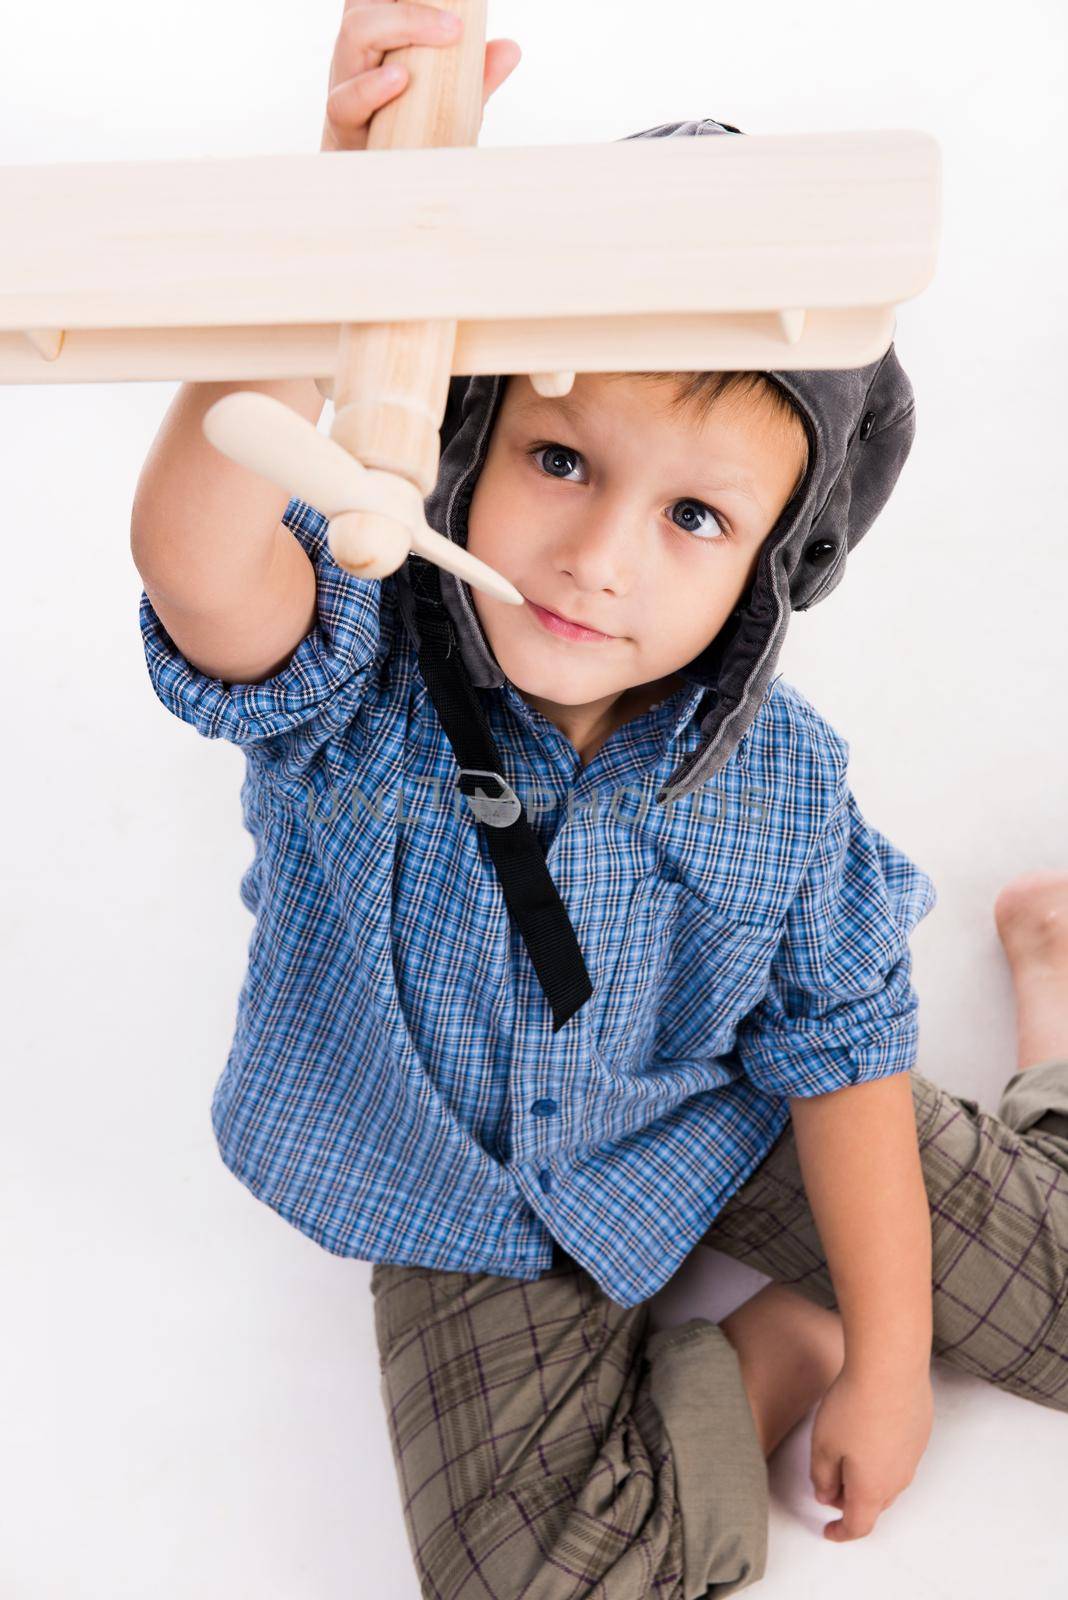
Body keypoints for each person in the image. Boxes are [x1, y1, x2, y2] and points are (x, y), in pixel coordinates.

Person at [130, 4, 1068, 1595]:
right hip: (455, 1192)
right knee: (531, 1579)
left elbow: (838, 1058)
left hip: (724, 1114)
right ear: (473, 432)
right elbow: (197, 563)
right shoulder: (353, 648)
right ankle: (764, 1352)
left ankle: (1050, 1054)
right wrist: (350, 243)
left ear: (772, 573)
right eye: (564, 460)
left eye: (694, 514)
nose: (601, 555)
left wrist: (897, 1362)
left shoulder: (778, 778)